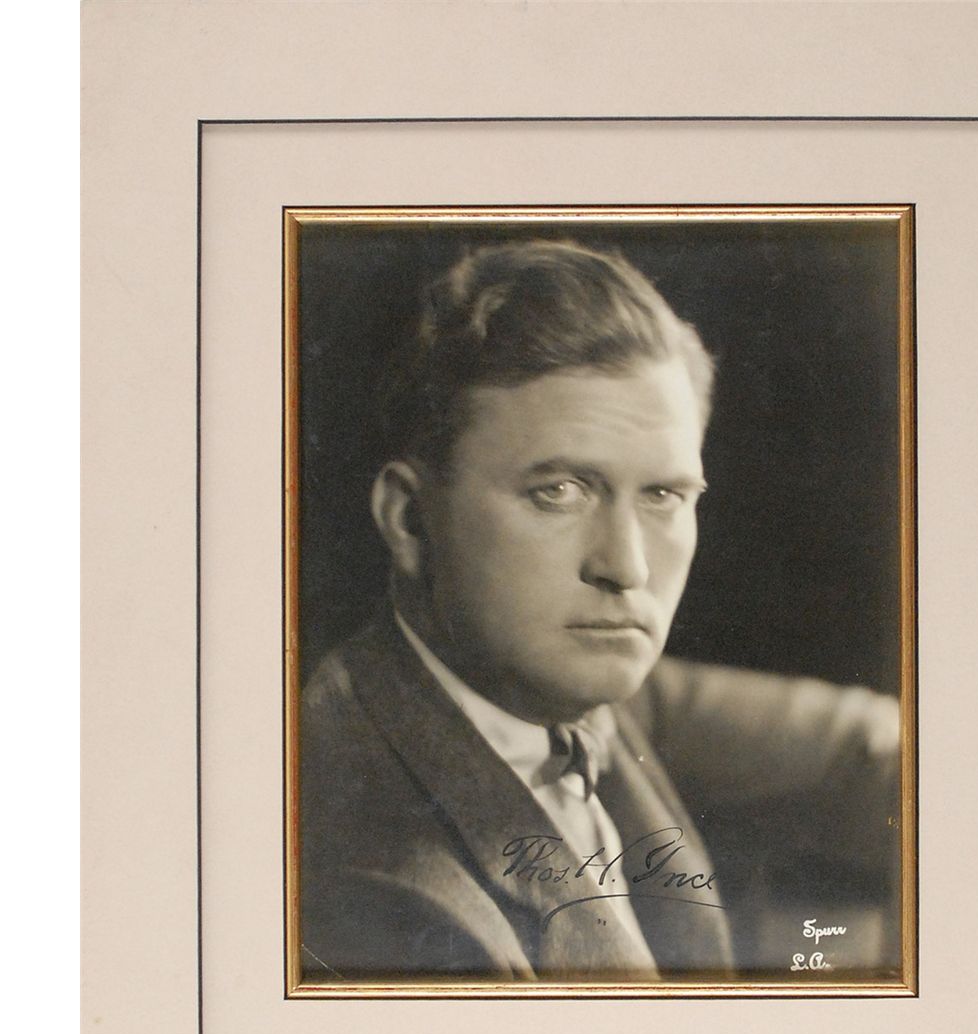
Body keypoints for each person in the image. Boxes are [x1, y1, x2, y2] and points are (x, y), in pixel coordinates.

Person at [299, 239, 900, 983]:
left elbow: (869, 751)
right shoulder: (384, 897)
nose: (628, 567)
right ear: (411, 520)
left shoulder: (568, 693)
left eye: (663, 495)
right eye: (559, 492)